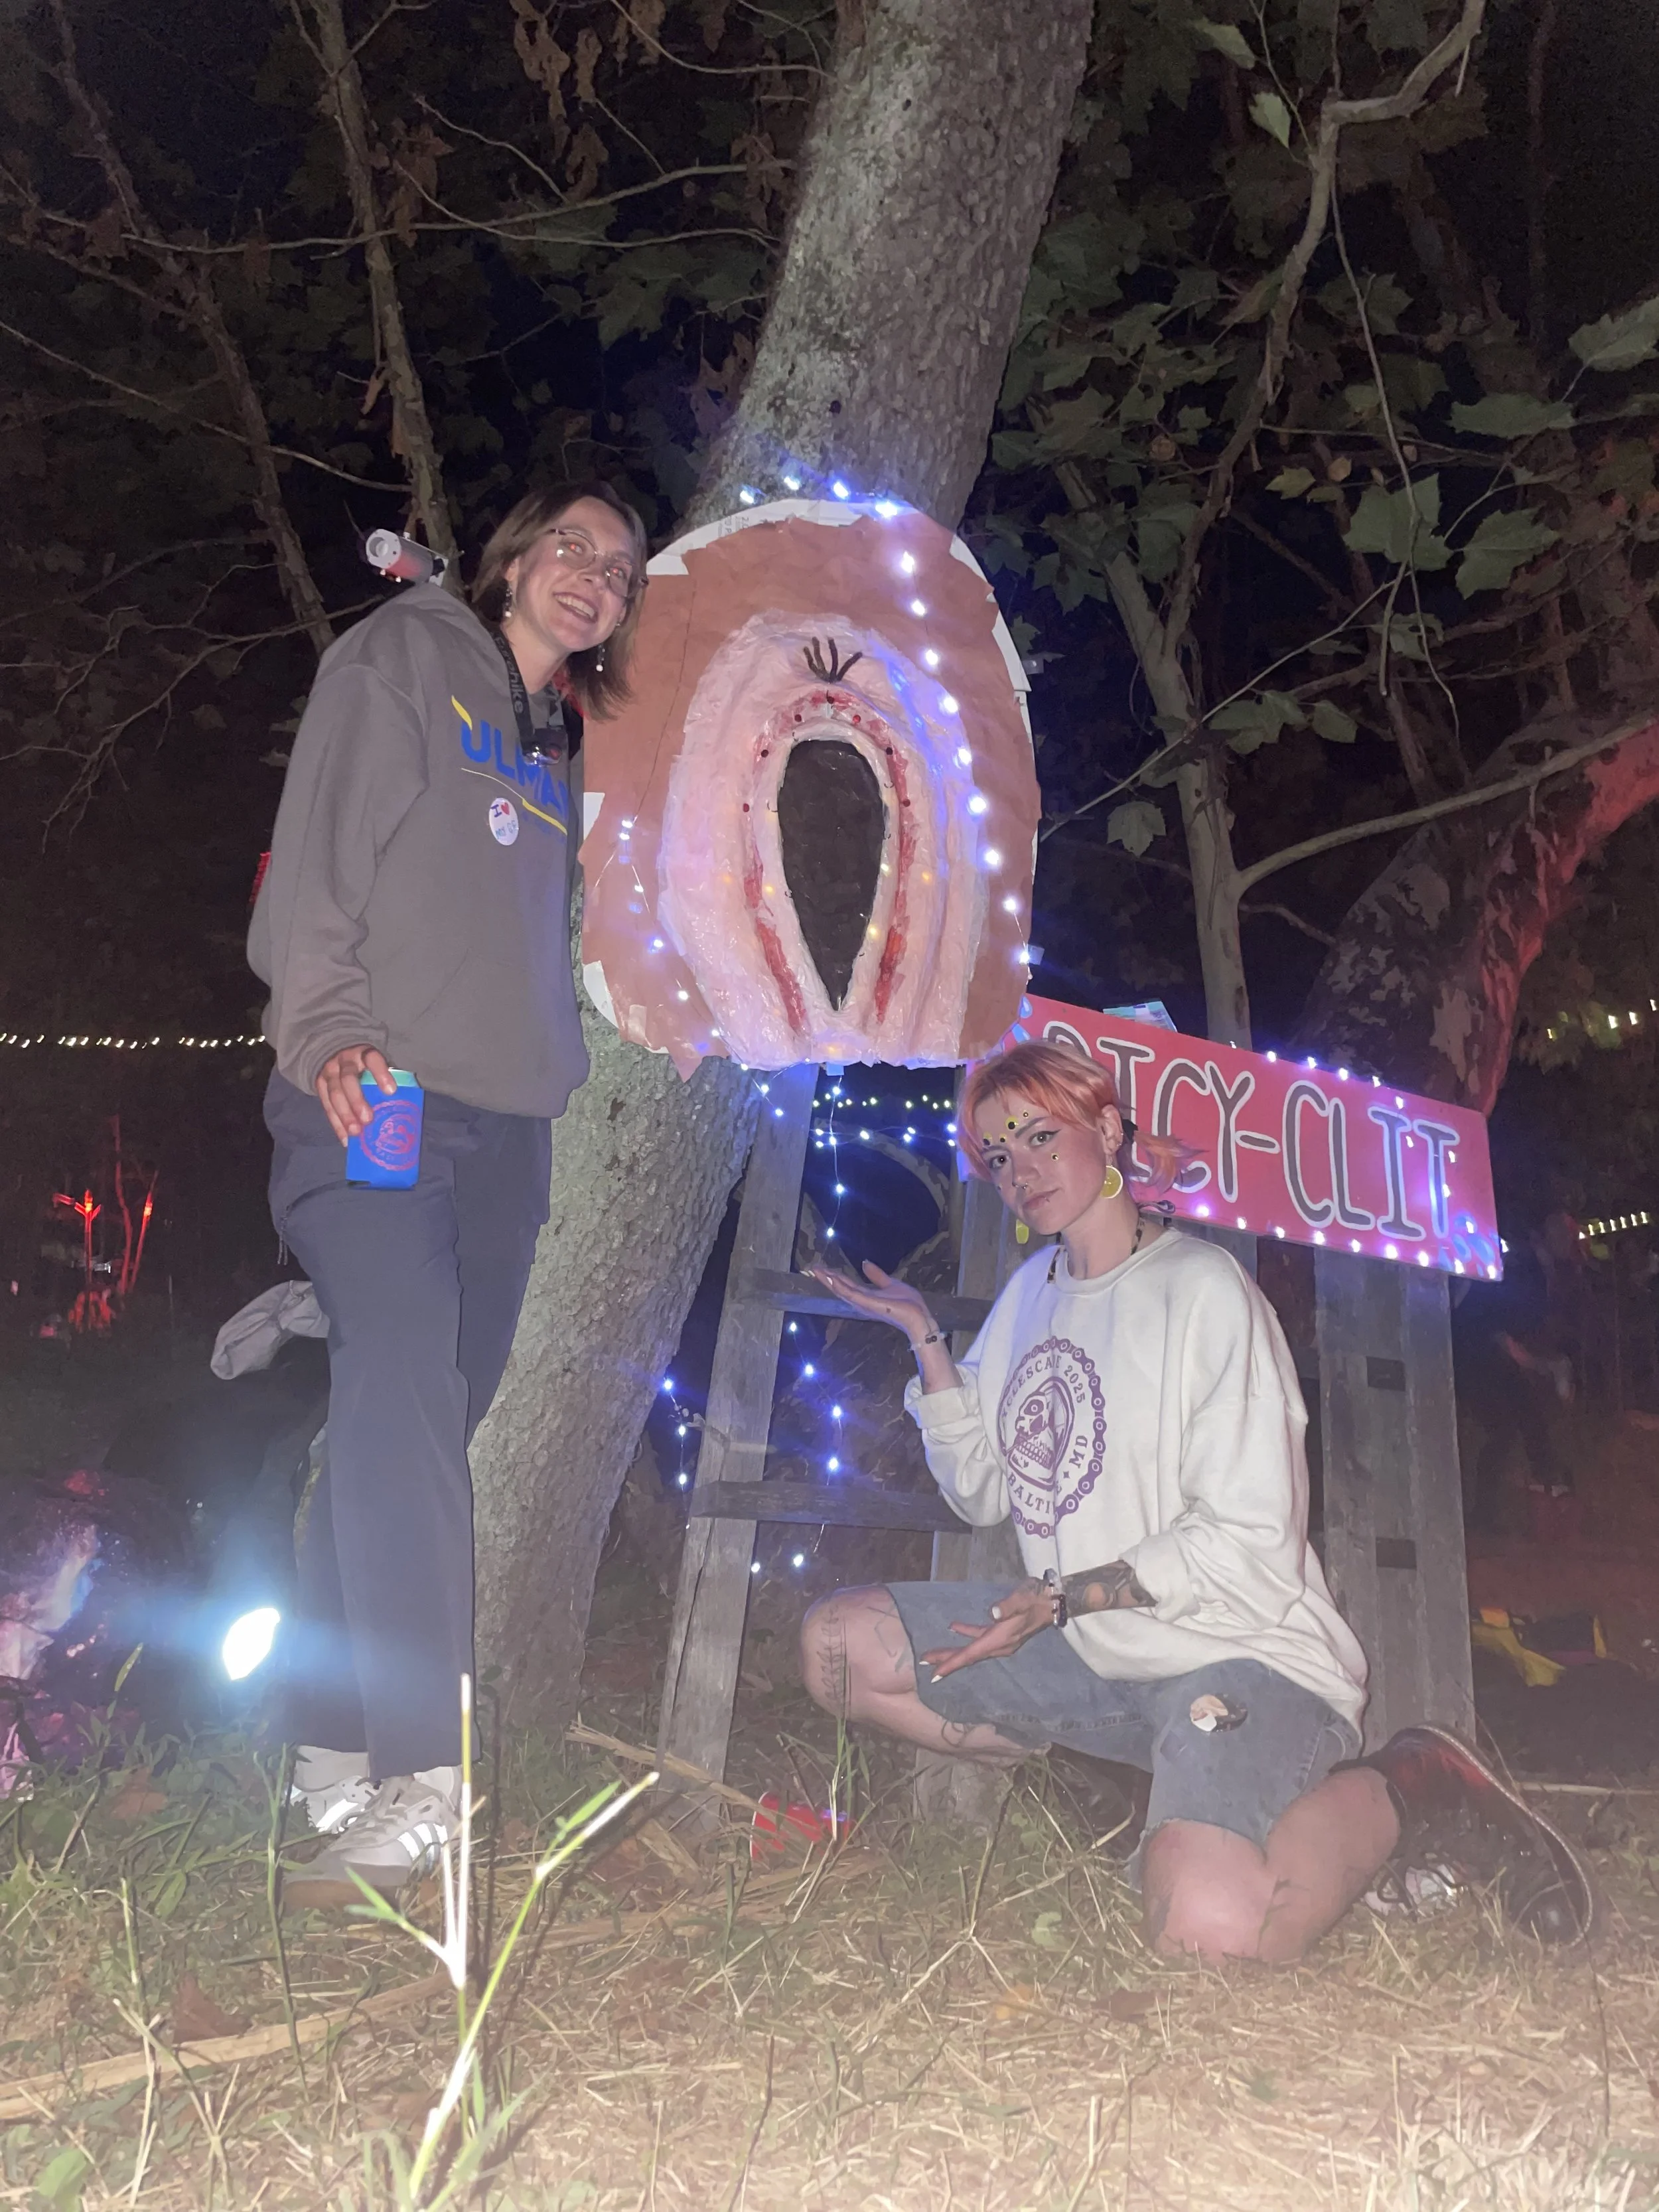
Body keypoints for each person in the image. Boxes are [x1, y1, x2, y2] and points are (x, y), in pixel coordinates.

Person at [802, 1041, 1592, 1959]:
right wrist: (927, 1339)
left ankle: (1416, 1784)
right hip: (1093, 1654)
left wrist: (1061, 1599)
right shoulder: (1030, 1297)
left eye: (1040, 1136)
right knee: (838, 1651)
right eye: (998, 1156)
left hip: (1246, 1652)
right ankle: (1135, 1786)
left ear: (1106, 1128)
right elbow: (980, 1488)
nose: (1019, 1170)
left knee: (1211, 1933)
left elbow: (1248, 1538)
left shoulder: (1203, 1290)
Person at [248, 482, 646, 1905]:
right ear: (513, 557)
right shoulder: (407, 652)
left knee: (416, 1418)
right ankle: (425, 1776)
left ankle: (326, 1740)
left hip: (507, 1131)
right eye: (572, 546)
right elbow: (314, 869)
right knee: (405, 1393)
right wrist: (329, 1035)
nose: (593, 574)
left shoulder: (558, 740)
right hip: (378, 1094)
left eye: (619, 566)